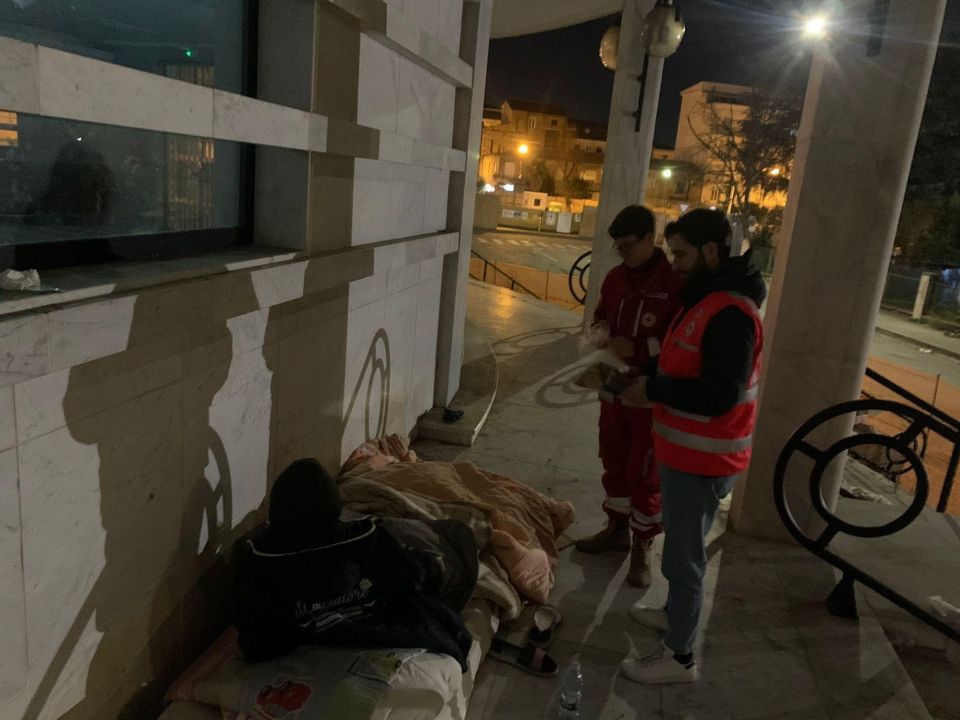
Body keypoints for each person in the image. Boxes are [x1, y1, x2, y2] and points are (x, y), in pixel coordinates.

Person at [617, 209, 766, 684]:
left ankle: (679, 656)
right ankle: (674, 614)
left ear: (710, 252)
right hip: (689, 454)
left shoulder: (730, 313)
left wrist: (653, 391)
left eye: (681, 254)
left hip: (703, 458)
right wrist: (644, 375)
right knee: (684, 548)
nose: (674, 263)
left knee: (683, 559)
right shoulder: (706, 298)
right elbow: (681, 362)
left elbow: (720, 394)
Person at [234, 458, 476, 668]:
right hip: (382, 627)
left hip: (304, 633)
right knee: (440, 548)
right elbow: (410, 575)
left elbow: (253, 631)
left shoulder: (260, 557)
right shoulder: (367, 536)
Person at [575, 205, 682, 587]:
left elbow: (678, 342)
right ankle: (617, 528)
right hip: (613, 386)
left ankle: (643, 543)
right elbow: (601, 317)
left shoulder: (674, 283)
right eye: (617, 246)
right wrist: (600, 336)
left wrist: (637, 348)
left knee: (644, 470)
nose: (621, 253)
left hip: (649, 392)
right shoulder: (615, 278)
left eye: (627, 245)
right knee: (613, 458)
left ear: (650, 238)